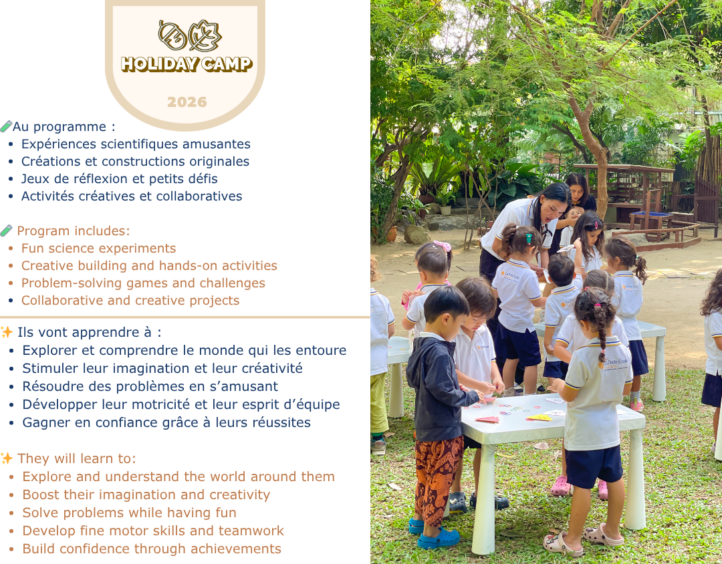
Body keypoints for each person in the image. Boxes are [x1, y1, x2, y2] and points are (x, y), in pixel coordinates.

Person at [543, 288, 633, 557]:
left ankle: (572, 540)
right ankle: (613, 532)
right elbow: (626, 389)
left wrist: (558, 384)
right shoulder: (624, 352)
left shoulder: (582, 355)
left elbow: (570, 394)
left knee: (582, 485)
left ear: (583, 324)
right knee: (615, 478)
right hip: (610, 431)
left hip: (583, 434)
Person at [405, 286, 479, 550]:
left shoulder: (420, 343)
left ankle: (418, 520)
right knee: (440, 480)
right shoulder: (439, 351)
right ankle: (432, 533)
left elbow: (416, 379)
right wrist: (469, 396)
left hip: (424, 426)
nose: (459, 331)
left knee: (425, 476)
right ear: (446, 319)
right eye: (459, 325)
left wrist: (453, 385)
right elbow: (443, 390)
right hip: (443, 430)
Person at [479, 183, 570, 386]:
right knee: (497, 316)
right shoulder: (516, 210)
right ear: (542, 198)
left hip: (521, 263)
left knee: (514, 313)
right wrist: (522, 267)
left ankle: (517, 379)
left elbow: (544, 250)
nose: (554, 215)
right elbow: (497, 245)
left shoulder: (553, 218)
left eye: (560, 213)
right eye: (552, 209)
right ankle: (498, 377)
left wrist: (547, 274)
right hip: (496, 259)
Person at [551, 268, 629, 499]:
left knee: (586, 479)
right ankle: (566, 475)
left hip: (590, 391)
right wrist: (583, 366)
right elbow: (559, 348)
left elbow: (620, 359)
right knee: (575, 438)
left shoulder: (613, 328)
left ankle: (602, 480)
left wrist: (583, 366)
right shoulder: (574, 322)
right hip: (582, 384)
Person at [448, 277, 509, 514]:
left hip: (483, 404)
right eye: (475, 317)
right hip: (460, 404)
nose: (480, 322)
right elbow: (452, 371)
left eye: (484, 317)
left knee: (485, 448)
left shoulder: (483, 331)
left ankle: (481, 492)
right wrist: (477, 386)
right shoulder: (451, 334)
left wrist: (497, 378)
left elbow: (491, 360)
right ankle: (456, 492)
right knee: (457, 450)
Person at [491, 225, 547, 395]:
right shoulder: (528, 274)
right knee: (531, 363)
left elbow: (494, 292)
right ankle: (529, 396)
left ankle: (508, 392)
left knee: (511, 358)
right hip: (522, 326)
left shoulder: (502, 268)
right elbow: (536, 301)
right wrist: (553, 300)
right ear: (531, 249)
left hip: (505, 322)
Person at [605, 236, 648, 412]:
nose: (605, 261)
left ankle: (613, 397)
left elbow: (612, 306)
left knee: (614, 364)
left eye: (606, 258)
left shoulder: (614, 281)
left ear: (616, 260)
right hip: (634, 330)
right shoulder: (636, 280)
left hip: (617, 330)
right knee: (636, 367)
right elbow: (639, 303)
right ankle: (635, 399)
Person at [543, 255, 582, 387]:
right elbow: (579, 266)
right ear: (574, 275)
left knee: (555, 382)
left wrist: (547, 344)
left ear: (549, 279)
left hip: (555, 346)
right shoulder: (578, 289)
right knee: (572, 382)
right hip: (573, 345)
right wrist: (578, 248)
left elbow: (550, 325)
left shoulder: (552, 300)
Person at [370, 256, 395, 456]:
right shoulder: (382, 300)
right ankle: (378, 439)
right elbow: (391, 329)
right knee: (376, 399)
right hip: (377, 361)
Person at [402, 243, 449, 339]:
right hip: (447, 345)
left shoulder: (419, 300)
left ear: (423, 275)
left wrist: (411, 305)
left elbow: (406, 325)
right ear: (446, 275)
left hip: (425, 345)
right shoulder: (456, 296)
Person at [548, 173, 597, 256]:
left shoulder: (589, 201)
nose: (576, 195)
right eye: (573, 191)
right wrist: (568, 222)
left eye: (580, 191)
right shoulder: (559, 200)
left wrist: (585, 215)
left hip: (581, 245)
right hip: (557, 243)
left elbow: (595, 225)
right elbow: (549, 224)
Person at [700, 269, 722, 452]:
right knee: (721, 409)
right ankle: (718, 444)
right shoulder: (716, 314)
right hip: (719, 369)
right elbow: (720, 343)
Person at [402, 241, 453, 311]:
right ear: (446, 274)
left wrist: (424, 299)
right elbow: (412, 311)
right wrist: (407, 301)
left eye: (420, 271)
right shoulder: (421, 285)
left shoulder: (448, 291)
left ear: (423, 275)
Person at [566, 211, 605, 278]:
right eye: (592, 235)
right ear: (582, 232)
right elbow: (580, 274)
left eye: (598, 235)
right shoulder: (575, 250)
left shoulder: (594, 248)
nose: (595, 239)